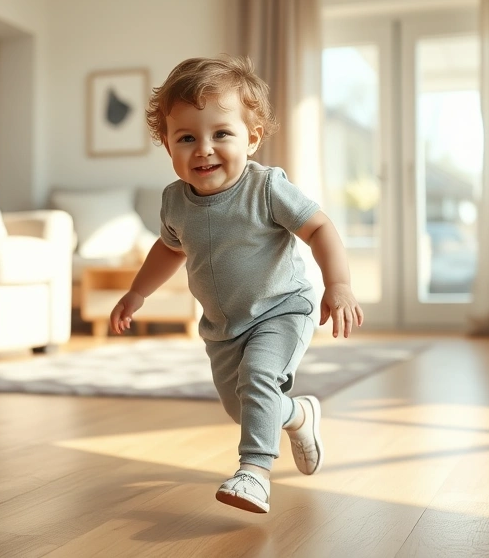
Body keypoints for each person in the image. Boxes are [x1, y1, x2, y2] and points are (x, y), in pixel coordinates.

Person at [109, 55, 363, 514]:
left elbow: (320, 228)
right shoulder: (174, 202)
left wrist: (338, 283)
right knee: (246, 408)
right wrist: (137, 292)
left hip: (281, 309)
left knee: (259, 378)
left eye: (221, 134)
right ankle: (299, 414)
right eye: (186, 137)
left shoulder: (266, 188)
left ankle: (254, 473)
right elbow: (168, 250)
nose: (203, 148)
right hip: (223, 327)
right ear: (168, 146)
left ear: (252, 138)